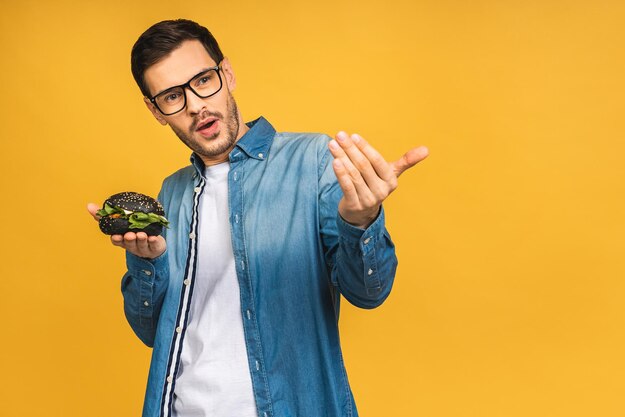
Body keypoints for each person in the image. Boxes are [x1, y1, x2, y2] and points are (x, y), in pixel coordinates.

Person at [88, 18, 428, 417]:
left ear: (226, 73)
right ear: (156, 110)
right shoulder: (171, 194)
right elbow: (151, 331)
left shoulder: (314, 161)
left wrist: (361, 220)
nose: (196, 105)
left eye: (202, 80)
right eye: (172, 97)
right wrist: (147, 262)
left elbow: (369, 293)